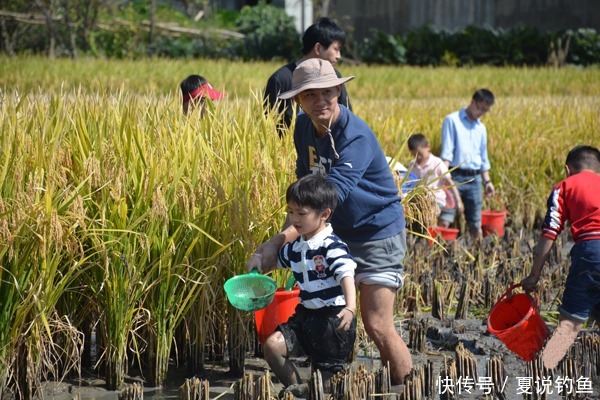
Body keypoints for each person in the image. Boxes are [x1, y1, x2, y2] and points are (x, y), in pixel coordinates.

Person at [248, 58, 412, 385]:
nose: (320, 100)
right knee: (326, 317)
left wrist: (282, 241)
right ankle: (315, 388)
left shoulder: (355, 136)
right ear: (297, 100)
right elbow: (304, 198)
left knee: (378, 323)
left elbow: (328, 197)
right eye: (310, 95)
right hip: (338, 235)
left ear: (338, 89)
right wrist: (277, 244)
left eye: (327, 91)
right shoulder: (303, 128)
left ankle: (406, 388)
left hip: (376, 232)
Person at [258, 174, 357, 397]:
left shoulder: (331, 246)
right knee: (272, 346)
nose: (295, 219)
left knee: (327, 385)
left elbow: (346, 274)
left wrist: (350, 307)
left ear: (324, 215)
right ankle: (297, 389)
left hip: (333, 321)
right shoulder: (297, 246)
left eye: (301, 213)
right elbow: (274, 261)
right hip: (305, 317)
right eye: (291, 212)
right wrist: (257, 260)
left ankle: (316, 391)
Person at [520, 145, 600, 369]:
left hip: (590, 253)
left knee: (569, 324)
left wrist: (533, 277)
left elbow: (549, 232)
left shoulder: (565, 186)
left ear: (568, 169)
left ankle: (545, 369)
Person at [263, 17, 352, 138]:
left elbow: (346, 118)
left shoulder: (334, 76)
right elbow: (267, 123)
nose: (339, 56)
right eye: (336, 49)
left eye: (326, 92)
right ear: (318, 48)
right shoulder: (281, 79)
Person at [440, 88, 496, 238]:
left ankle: (477, 255)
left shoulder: (481, 128)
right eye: (480, 108)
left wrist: (488, 182)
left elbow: (483, 159)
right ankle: (438, 258)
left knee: (475, 224)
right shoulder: (452, 120)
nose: (481, 113)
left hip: (475, 180)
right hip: (454, 177)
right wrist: (443, 177)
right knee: (445, 219)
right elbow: (447, 153)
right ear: (472, 102)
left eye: (485, 111)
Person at [407, 133, 463, 228]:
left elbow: (449, 182)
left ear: (428, 147)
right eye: (414, 155)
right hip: (420, 202)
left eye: (420, 154)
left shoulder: (437, 163)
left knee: (431, 217)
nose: (418, 157)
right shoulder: (412, 165)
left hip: (437, 200)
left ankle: (433, 234)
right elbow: (409, 184)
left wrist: (458, 201)